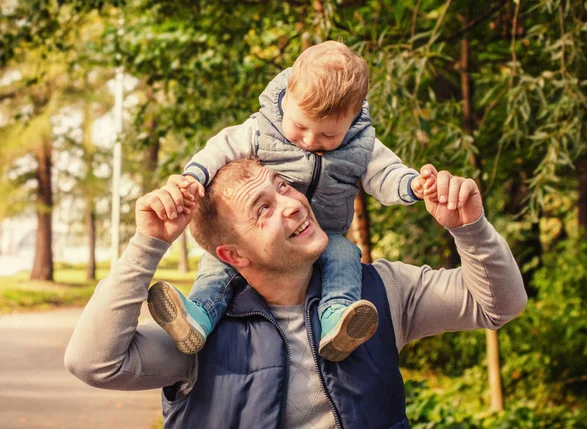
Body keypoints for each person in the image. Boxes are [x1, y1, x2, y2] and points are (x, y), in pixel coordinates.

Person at [65, 159, 527, 429]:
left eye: (282, 186)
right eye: (262, 209)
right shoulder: (197, 336)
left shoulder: (379, 293)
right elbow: (94, 362)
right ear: (233, 256)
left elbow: (499, 305)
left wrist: (470, 228)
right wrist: (149, 244)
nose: (291, 203)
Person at [154, 40, 437, 361]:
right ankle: (199, 316)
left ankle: (337, 320)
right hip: (268, 238)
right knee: (222, 260)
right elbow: (221, 148)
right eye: (300, 126)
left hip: (325, 233)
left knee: (345, 256)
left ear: (353, 116)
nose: (311, 141)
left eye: (329, 135)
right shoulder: (262, 130)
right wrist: (193, 178)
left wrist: (414, 184)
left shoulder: (361, 145)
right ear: (287, 96)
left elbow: (385, 175)